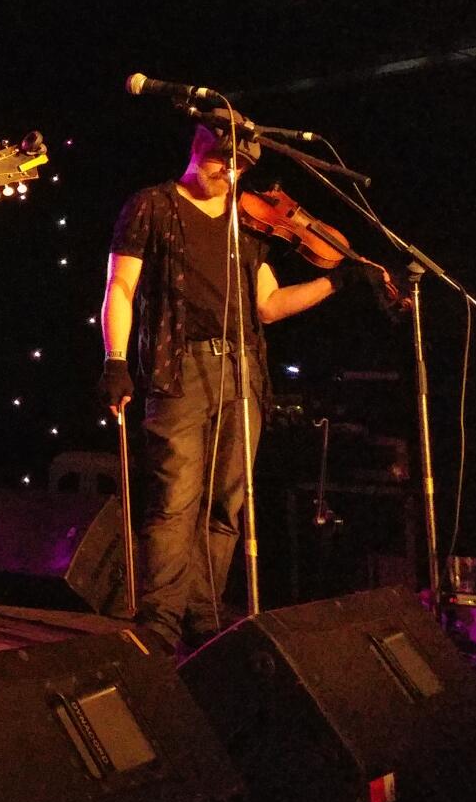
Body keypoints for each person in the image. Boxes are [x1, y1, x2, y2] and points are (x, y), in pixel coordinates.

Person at [100, 121, 365, 651]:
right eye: (223, 159)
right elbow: (121, 286)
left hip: (243, 371)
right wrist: (115, 359)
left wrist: (334, 282)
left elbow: (268, 305)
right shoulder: (152, 205)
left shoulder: (247, 220)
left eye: (241, 164)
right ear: (197, 147)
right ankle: (160, 620)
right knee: (175, 497)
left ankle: (203, 614)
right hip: (179, 368)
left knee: (226, 504)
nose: (232, 171)